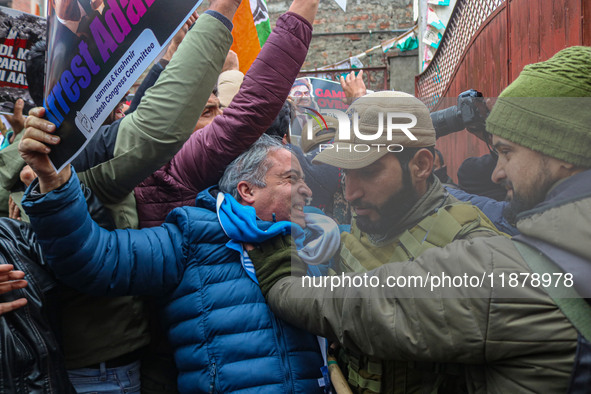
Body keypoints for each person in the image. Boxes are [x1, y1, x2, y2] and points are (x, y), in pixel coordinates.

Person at [245, 46, 591, 393]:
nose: (351, 193)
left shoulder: (473, 245)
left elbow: (369, 308)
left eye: (367, 172)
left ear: (422, 165)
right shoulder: (364, 223)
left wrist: (282, 280)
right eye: (346, 175)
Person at [20, 135, 325, 393]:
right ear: (247, 190)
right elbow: (95, 258)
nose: (306, 190)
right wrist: (55, 184)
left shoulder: (320, 242)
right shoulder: (192, 237)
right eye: (291, 179)